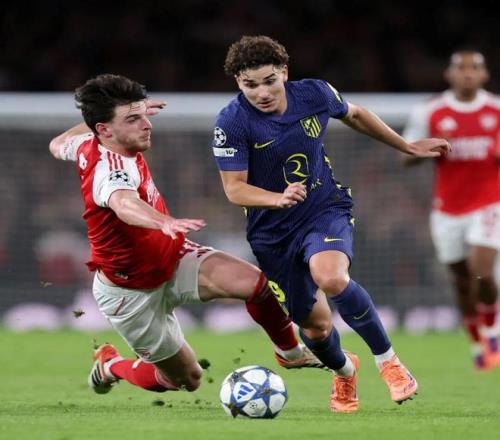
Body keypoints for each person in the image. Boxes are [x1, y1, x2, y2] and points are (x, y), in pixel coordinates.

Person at [212, 35, 451, 413]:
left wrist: (406, 146)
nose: (262, 92)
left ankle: (389, 361)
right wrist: (276, 198)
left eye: (269, 81)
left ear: (284, 72)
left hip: (322, 207)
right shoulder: (232, 122)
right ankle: (344, 371)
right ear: (238, 83)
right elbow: (234, 189)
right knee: (316, 329)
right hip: (272, 233)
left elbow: (354, 114)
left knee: (331, 277)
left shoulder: (314, 94)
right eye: (250, 85)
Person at [48, 74, 325, 396]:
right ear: (105, 130)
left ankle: (289, 353)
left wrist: (128, 112)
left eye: (143, 116)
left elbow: (57, 144)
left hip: (174, 258)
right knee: (185, 379)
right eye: (133, 120)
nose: (147, 125)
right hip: (130, 291)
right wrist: (161, 221)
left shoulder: (87, 142)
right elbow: (124, 203)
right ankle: (110, 366)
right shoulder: (111, 170)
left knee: (257, 286)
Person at [403, 50, 500, 371]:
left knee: (481, 270)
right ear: (449, 74)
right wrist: (428, 148)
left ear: (485, 75)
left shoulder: (496, 109)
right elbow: (405, 155)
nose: (468, 73)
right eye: (462, 68)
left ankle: (493, 331)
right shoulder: (431, 111)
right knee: (461, 279)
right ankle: (476, 339)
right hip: (447, 210)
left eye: (475, 68)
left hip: (489, 204)